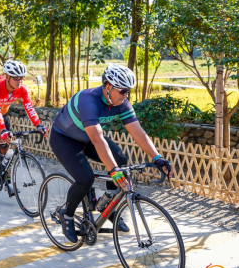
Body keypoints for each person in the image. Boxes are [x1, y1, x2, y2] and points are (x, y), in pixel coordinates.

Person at [50, 64, 173, 242]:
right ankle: (66, 215)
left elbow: (138, 133)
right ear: (108, 86)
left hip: (87, 137)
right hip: (64, 138)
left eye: (128, 91)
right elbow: (98, 140)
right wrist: (113, 170)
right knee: (86, 178)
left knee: (121, 158)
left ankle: (106, 206)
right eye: (123, 91)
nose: (126, 95)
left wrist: (158, 158)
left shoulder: (121, 102)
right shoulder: (89, 100)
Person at [0, 60, 49, 196]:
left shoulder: (23, 89)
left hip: (2, 114)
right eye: (16, 78)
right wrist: (3, 130)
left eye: (22, 78)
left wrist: (38, 124)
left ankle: (8, 182)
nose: (19, 81)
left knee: (8, 152)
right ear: (7, 76)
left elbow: (29, 107)